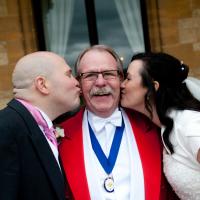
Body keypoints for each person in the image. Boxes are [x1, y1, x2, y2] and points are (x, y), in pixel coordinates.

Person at [59, 45, 176, 200]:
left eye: (108, 74)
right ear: (79, 83)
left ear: (121, 79)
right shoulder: (58, 136)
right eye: (90, 75)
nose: (100, 83)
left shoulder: (154, 126)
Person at [0, 51, 80, 200]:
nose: (76, 82)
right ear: (42, 84)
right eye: (68, 75)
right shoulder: (5, 129)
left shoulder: (37, 127)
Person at [121, 52, 200, 200]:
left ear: (153, 87)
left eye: (128, 78)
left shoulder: (190, 125)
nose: (122, 84)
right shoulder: (165, 126)